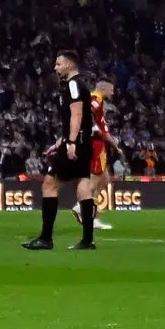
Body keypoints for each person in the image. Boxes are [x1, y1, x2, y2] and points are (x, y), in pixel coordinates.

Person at [25, 50, 97, 250]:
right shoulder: (79, 85)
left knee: (49, 184)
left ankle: (46, 238)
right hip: (84, 142)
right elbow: (81, 121)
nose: (55, 68)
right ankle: (87, 240)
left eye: (58, 64)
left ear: (69, 65)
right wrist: (60, 142)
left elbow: (77, 115)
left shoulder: (73, 85)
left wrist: (70, 143)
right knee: (82, 184)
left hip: (76, 143)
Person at [69, 79, 117, 232]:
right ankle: (82, 208)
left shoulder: (98, 102)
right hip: (95, 144)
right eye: (111, 89)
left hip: (97, 143)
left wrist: (114, 145)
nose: (113, 92)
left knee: (105, 179)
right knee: (95, 179)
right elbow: (84, 113)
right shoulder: (94, 100)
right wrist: (92, 128)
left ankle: (91, 215)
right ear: (105, 88)